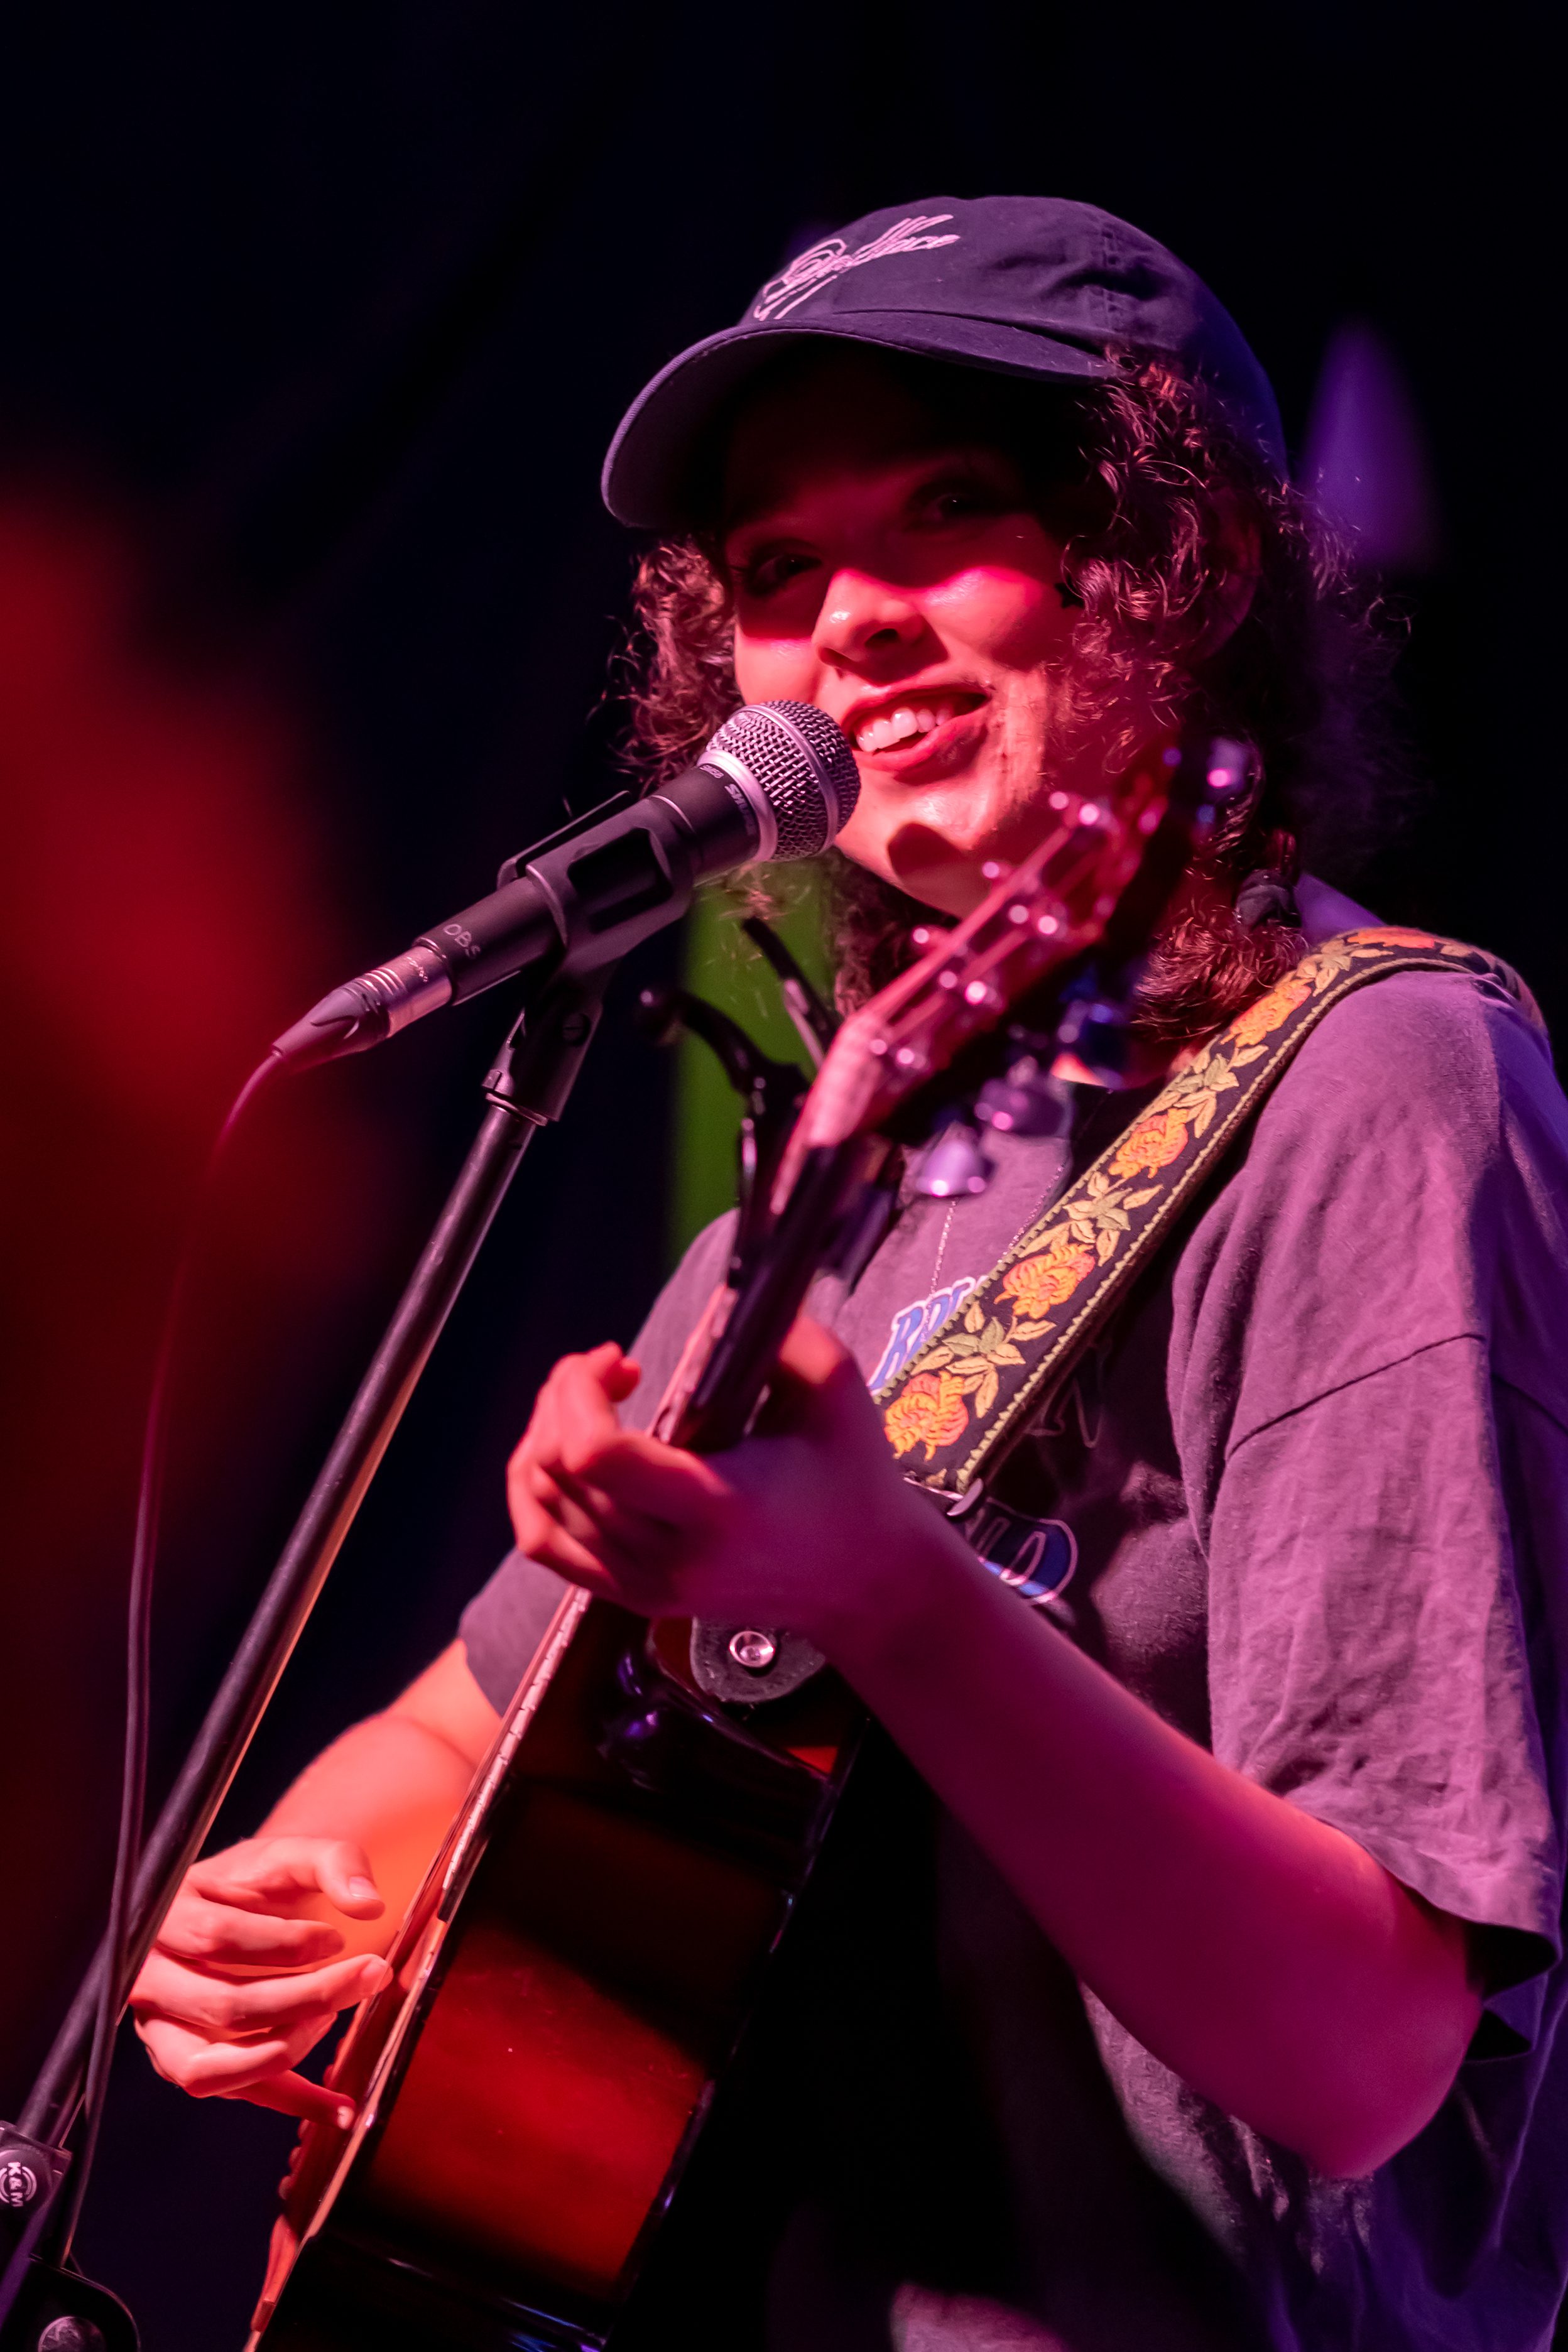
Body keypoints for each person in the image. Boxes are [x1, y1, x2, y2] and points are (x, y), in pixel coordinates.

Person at [130, 199, 1568, 2351]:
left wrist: (893, 1593)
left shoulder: (1375, 1079)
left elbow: (1370, 2057)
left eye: (953, 512)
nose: (853, 623)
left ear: (1191, 566)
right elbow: (460, 1724)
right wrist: (305, 1908)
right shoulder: (822, 1207)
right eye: (780, 572)